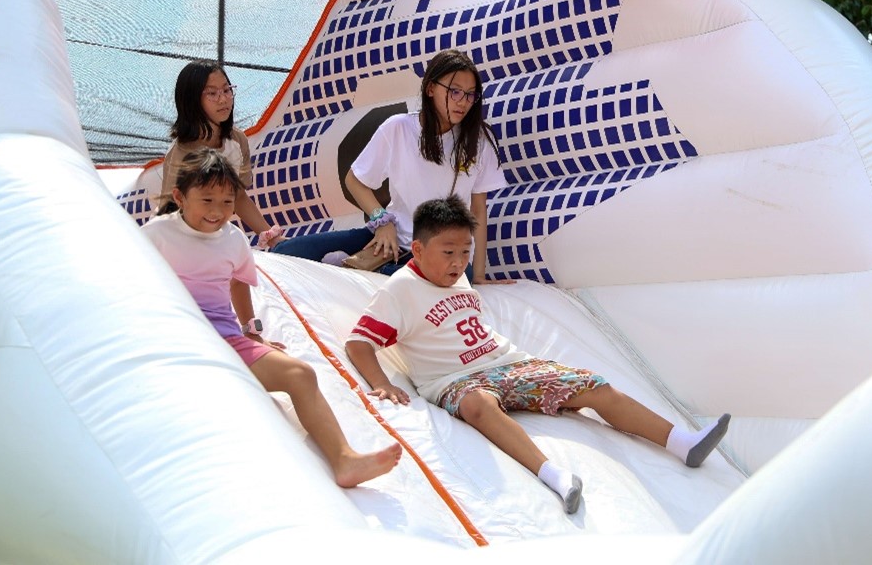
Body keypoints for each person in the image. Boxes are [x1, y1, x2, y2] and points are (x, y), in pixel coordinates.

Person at [345, 195, 730, 515]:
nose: (458, 262)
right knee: (479, 405)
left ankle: (682, 442)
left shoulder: (458, 277)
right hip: (453, 380)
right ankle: (554, 475)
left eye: (465, 251)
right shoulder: (400, 289)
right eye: (448, 252)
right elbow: (358, 343)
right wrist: (381, 383)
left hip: (509, 363)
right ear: (418, 248)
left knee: (595, 386)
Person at [142, 149, 402, 488]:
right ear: (180, 196)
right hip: (177, 336)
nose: (218, 212)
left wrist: (252, 332)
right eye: (207, 200)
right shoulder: (157, 234)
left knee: (301, 373)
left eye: (227, 201)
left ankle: (344, 460)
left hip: (224, 339)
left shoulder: (233, 239)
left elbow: (238, 283)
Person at [273, 49, 506, 283]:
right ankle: (351, 267)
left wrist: (477, 275)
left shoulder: (478, 142)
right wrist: (381, 221)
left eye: (470, 95)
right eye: (455, 91)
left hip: (444, 257)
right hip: (390, 239)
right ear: (431, 88)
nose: (462, 102)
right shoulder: (399, 128)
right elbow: (355, 181)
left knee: (402, 282)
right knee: (288, 252)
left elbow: (478, 211)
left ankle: (351, 270)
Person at [157, 59, 283, 249]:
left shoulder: (238, 140)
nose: (223, 99)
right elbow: (171, 210)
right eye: (212, 93)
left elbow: (239, 197)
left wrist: (271, 238)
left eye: (226, 90)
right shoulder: (182, 152)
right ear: (191, 100)